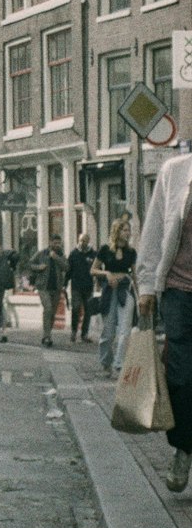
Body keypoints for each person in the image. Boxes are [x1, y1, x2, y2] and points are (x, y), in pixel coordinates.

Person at [136, 154, 192, 494]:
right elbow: (154, 229)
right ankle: (183, 450)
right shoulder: (175, 171)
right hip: (179, 291)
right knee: (181, 378)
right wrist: (146, 285)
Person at [92, 216, 136, 377]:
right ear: (117, 231)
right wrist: (107, 273)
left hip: (126, 289)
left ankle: (119, 365)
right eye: (125, 230)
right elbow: (93, 270)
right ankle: (106, 364)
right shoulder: (105, 249)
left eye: (129, 230)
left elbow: (135, 273)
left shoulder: (131, 252)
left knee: (125, 330)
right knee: (108, 331)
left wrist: (140, 295)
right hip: (110, 291)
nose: (128, 233)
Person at [31, 234, 66, 347]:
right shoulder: (42, 253)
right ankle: (47, 336)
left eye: (59, 243)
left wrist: (56, 257)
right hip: (43, 287)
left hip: (56, 287)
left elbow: (66, 267)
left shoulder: (60, 254)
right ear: (50, 242)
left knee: (52, 312)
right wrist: (39, 267)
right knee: (48, 308)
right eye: (55, 243)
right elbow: (30, 263)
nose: (57, 245)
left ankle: (47, 334)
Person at [65, 232, 96, 343]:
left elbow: (97, 268)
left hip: (88, 286)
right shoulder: (74, 254)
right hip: (76, 287)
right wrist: (65, 283)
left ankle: (84, 334)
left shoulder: (93, 254)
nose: (82, 243)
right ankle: (74, 331)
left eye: (84, 241)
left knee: (88, 310)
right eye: (80, 240)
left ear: (88, 241)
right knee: (76, 308)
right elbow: (69, 270)